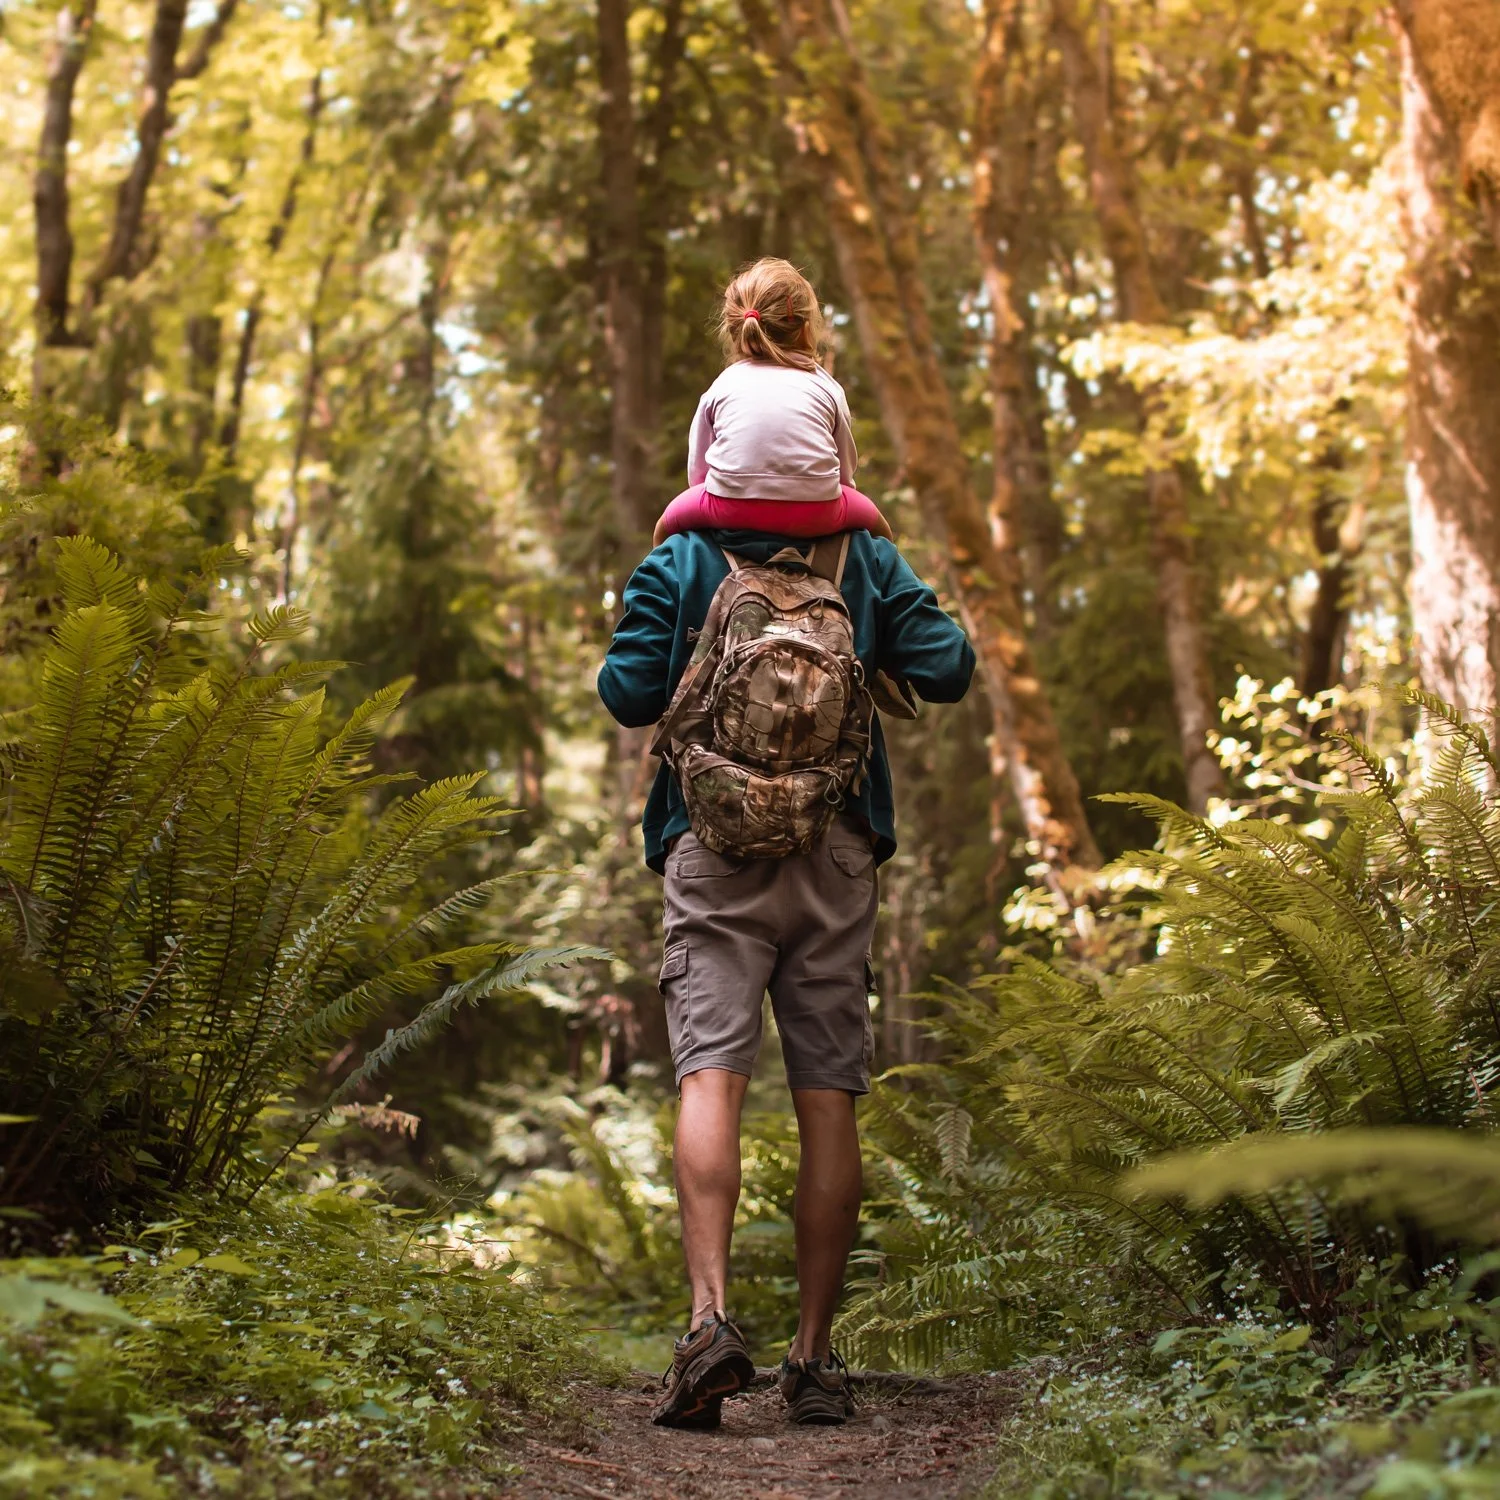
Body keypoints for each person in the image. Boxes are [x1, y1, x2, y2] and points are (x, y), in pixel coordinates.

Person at [597, 259, 975, 1432]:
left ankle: (709, 1325)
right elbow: (951, 667)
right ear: (816, 356)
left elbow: (623, 693)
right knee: (827, 1097)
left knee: (711, 1073)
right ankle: (814, 1360)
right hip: (837, 849)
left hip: (711, 856)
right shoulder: (863, 559)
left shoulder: (680, 558)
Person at [650, 259, 894, 547]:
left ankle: (672, 570)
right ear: (805, 328)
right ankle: (884, 574)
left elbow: (699, 475)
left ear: (736, 330)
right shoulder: (826, 385)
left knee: (664, 528)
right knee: (881, 530)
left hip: (729, 509)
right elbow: (844, 474)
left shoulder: (722, 385)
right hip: (816, 513)